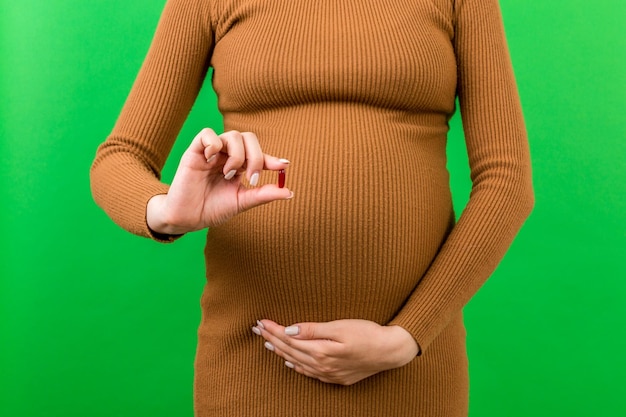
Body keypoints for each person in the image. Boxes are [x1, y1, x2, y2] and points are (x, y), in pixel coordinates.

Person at [90, 0, 534, 415]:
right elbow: (119, 157)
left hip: (413, 372)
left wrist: (407, 337)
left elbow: (507, 179)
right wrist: (166, 211)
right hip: (251, 372)